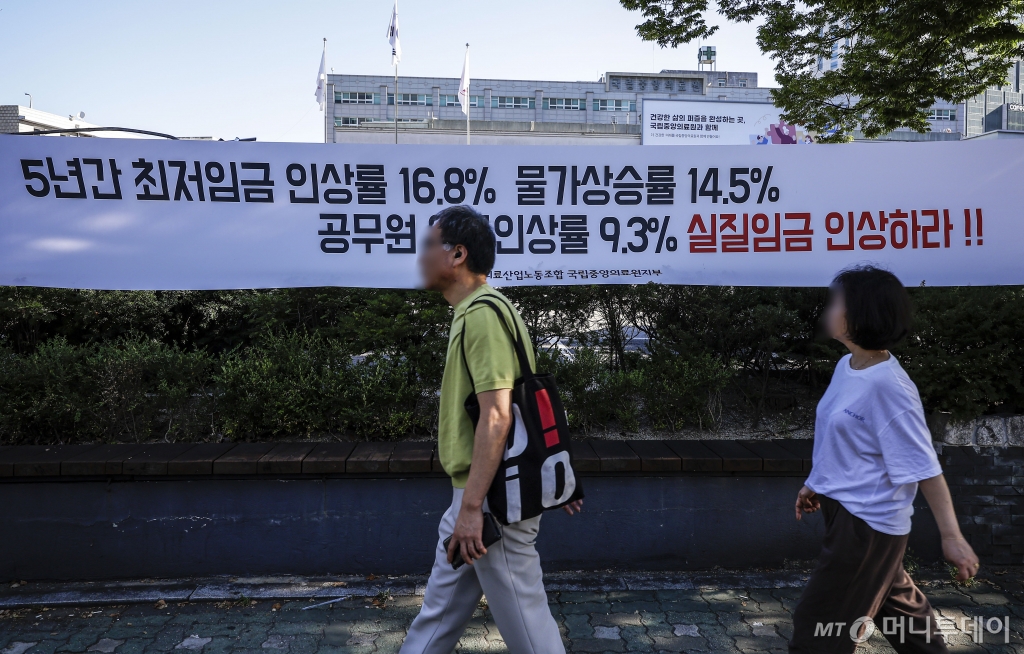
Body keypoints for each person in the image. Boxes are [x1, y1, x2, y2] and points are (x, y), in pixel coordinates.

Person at [401, 205, 583, 654]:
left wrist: (472, 509)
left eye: (428, 245)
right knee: (437, 617)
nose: (419, 255)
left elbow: (499, 416)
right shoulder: (484, 308)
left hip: (494, 503)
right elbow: (528, 402)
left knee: (529, 626)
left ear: (457, 254)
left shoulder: (482, 314)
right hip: (479, 495)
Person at [790, 265, 979, 654]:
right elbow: (842, 438)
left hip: (867, 525)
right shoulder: (849, 366)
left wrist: (952, 537)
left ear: (860, 314)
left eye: (837, 301)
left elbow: (924, 466)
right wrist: (817, 482)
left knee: (817, 628)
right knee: (903, 618)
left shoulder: (891, 388)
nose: (828, 308)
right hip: (847, 512)